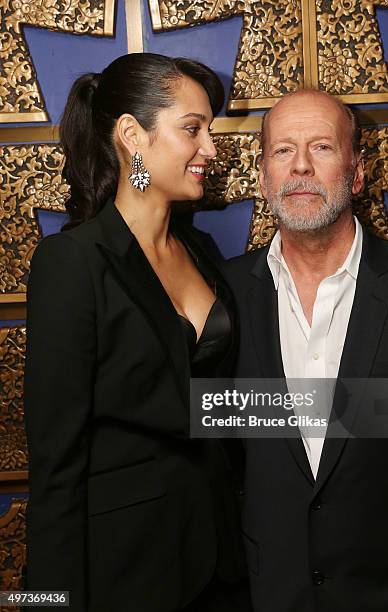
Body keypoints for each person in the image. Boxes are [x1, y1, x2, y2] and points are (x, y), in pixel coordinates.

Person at [24, 53, 250, 612]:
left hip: (223, 564)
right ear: (132, 135)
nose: (211, 150)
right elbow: (56, 465)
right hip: (124, 575)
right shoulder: (72, 262)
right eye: (192, 129)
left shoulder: (202, 252)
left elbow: (219, 407)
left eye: (211, 131)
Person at [222, 89, 388, 611]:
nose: (299, 165)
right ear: (261, 175)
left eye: (321, 147)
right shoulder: (221, 291)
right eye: (282, 150)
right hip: (270, 593)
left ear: (357, 170)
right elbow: (219, 438)